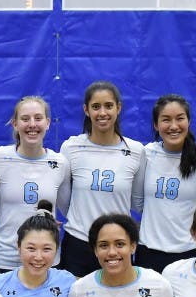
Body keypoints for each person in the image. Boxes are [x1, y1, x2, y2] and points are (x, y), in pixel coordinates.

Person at [59, 81, 144, 276]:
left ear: (119, 108)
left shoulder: (136, 151)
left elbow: (137, 201)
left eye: (108, 106)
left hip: (116, 246)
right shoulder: (71, 148)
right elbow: (64, 201)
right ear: (86, 110)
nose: (102, 113)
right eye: (96, 107)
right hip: (78, 243)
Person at [0, 96, 70, 274]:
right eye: (25, 119)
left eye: (38, 118)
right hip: (7, 258)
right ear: (15, 124)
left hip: (46, 260)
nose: (32, 124)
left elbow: (65, 206)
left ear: (47, 123)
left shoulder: (60, 162)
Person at [132, 94, 196, 273]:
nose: (174, 126)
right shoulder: (146, 154)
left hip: (190, 253)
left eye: (180, 118)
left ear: (188, 121)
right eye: (166, 120)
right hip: (149, 252)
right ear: (156, 124)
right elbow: (137, 202)